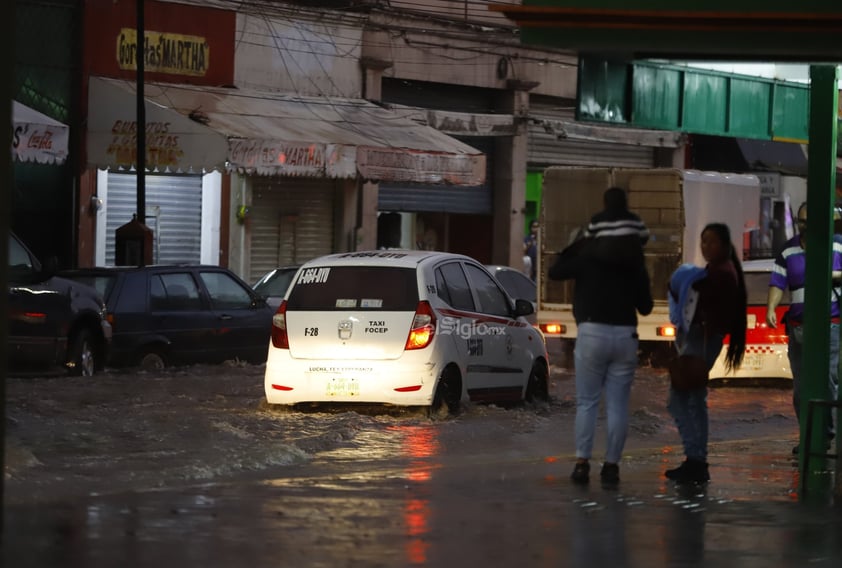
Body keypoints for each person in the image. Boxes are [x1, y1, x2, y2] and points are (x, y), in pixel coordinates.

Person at [548, 187, 653, 485]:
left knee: (587, 403)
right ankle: (611, 467)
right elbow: (645, 308)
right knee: (619, 405)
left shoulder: (588, 257)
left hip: (591, 333)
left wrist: (578, 243)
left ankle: (582, 464)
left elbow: (555, 271)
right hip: (625, 336)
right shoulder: (635, 263)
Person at [665, 223, 747, 484]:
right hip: (703, 340)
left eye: (711, 242)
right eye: (703, 242)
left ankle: (695, 459)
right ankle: (696, 460)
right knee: (694, 401)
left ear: (724, 245)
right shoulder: (719, 271)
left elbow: (705, 304)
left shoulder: (721, 274)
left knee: (680, 400)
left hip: (701, 341)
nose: (705, 247)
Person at [766, 202, 841, 455]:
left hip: (830, 325)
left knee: (828, 381)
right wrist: (770, 309)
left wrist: (832, 275)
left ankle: (826, 435)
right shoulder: (788, 251)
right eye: (802, 222)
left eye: (809, 221)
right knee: (801, 387)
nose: (805, 227)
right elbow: (777, 282)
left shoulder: (838, 244)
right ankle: (809, 435)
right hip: (798, 327)